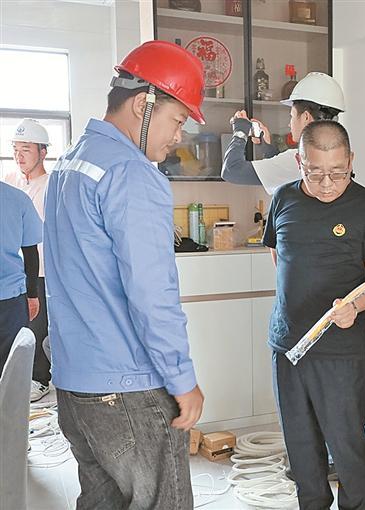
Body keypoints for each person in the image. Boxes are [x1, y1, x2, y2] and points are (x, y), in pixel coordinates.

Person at [44, 40, 205, 510]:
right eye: (178, 119)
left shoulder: (71, 162)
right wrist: (182, 378)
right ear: (143, 104)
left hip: (76, 384)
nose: (178, 136)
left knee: (101, 502)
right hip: (129, 385)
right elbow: (152, 292)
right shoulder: (131, 173)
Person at [263, 120, 365, 510]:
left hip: (340, 350)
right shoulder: (282, 199)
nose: (326, 184)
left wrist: (355, 306)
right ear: (299, 162)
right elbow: (279, 255)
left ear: (351, 160)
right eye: (315, 172)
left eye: (337, 173)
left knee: (347, 444)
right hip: (288, 345)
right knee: (301, 445)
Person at [222, 72, 345, 194]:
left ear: (306, 117)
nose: (289, 124)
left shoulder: (299, 160)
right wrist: (267, 148)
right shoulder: (339, 159)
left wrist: (240, 132)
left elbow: (232, 171)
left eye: (292, 116)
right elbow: (283, 175)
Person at [4, 118, 52, 401]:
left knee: (37, 325)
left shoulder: (51, 185)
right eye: (15, 149)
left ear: (42, 152)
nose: (19, 156)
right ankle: (17, 379)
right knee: (17, 328)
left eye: (26, 150)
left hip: (42, 269)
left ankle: (40, 379)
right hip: (14, 272)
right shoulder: (10, 182)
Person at [0, 181, 41, 372]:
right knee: (10, 368)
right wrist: (32, 295)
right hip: (11, 299)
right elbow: (31, 252)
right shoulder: (17, 198)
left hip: (11, 298)